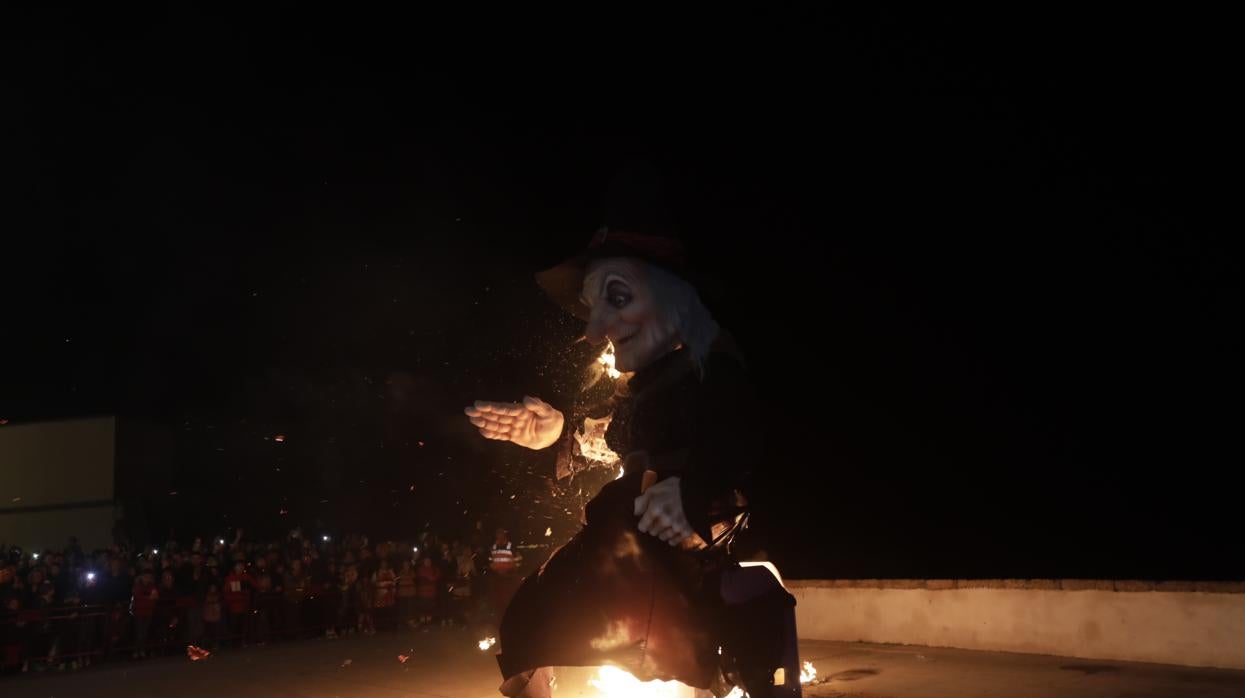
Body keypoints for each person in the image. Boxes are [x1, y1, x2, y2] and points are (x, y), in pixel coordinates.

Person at [465, 186, 797, 697]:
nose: (597, 328)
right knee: (534, 618)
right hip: (625, 534)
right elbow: (610, 442)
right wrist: (556, 436)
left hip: (684, 533)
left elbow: (738, 439)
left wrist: (690, 493)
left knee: (665, 623)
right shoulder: (638, 391)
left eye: (617, 298)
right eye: (593, 306)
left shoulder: (710, 370)